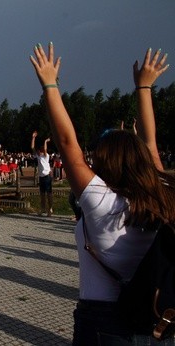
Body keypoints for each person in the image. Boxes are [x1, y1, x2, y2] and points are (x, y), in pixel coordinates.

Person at [30, 43, 175, 344]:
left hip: (102, 318)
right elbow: (151, 146)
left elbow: (68, 144)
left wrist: (50, 84)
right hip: (154, 315)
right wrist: (145, 87)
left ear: (104, 160)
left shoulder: (102, 203)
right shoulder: (163, 196)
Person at [31, 131, 53, 216]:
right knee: (42, 195)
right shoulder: (39, 157)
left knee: (49, 194)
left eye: (38, 151)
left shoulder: (46, 156)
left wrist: (45, 141)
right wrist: (33, 138)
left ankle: (50, 209)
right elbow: (32, 147)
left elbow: (45, 149)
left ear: (42, 151)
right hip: (41, 177)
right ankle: (43, 209)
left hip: (47, 177)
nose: (37, 152)